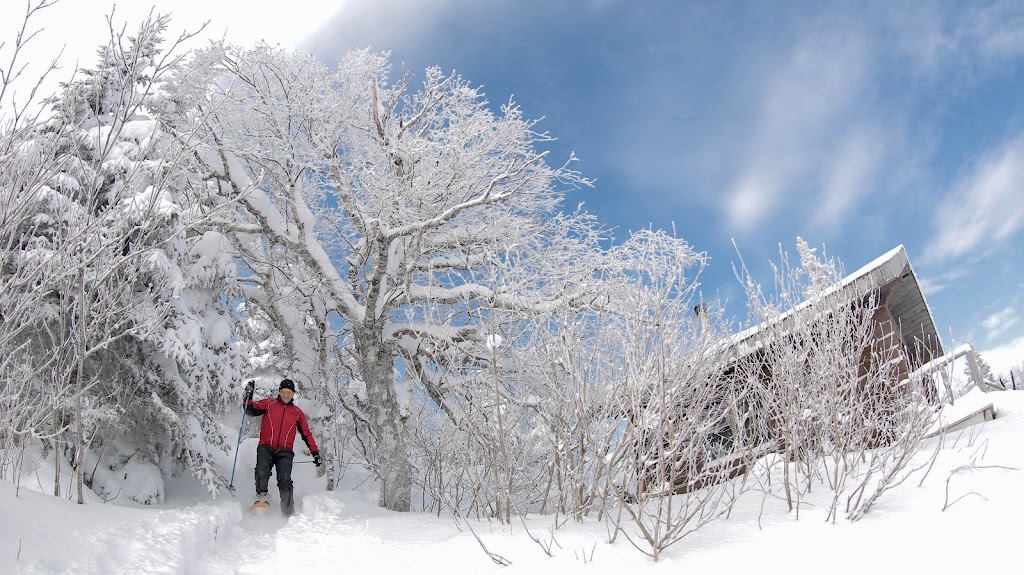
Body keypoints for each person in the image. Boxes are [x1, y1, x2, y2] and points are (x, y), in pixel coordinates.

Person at [243, 378, 322, 516]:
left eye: (289, 393)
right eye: (284, 392)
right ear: (279, 392)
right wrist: (248, 395)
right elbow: (250, 409)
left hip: (285, 452)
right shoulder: (269, 404)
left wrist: (315, 452)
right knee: (262, 472)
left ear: (293, 394)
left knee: (285, 480)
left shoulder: (297, 413)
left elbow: (306, 434)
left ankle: (287, 512)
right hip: (266, 447)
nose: (286, 395)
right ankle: (262, 498)